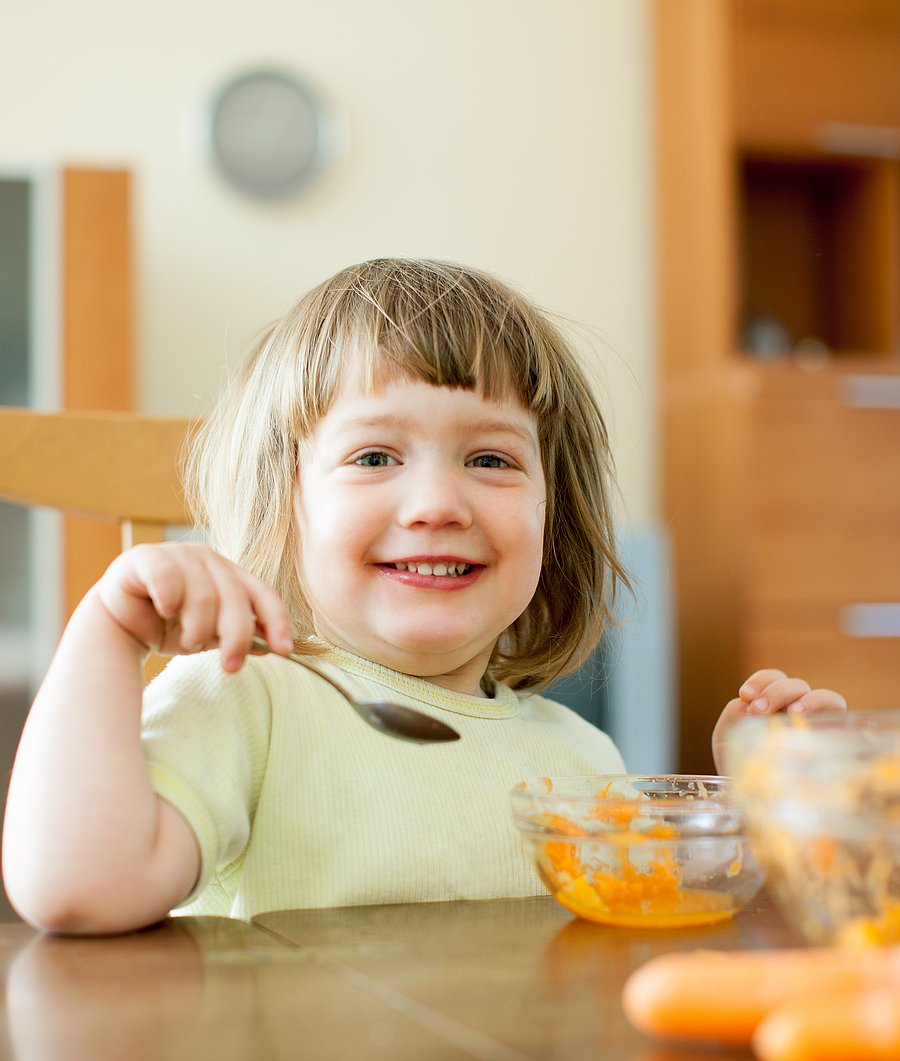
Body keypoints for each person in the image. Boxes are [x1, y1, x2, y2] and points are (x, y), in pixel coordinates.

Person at [1, 259, 846, 934]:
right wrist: (107, 633)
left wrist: (765, 794)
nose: (438, 503)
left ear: (559, 514)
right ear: (283, 504)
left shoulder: (583, 758)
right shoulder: (246, 705)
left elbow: (669, 934)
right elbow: (77, 889)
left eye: (491, 459)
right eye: (374, 457)